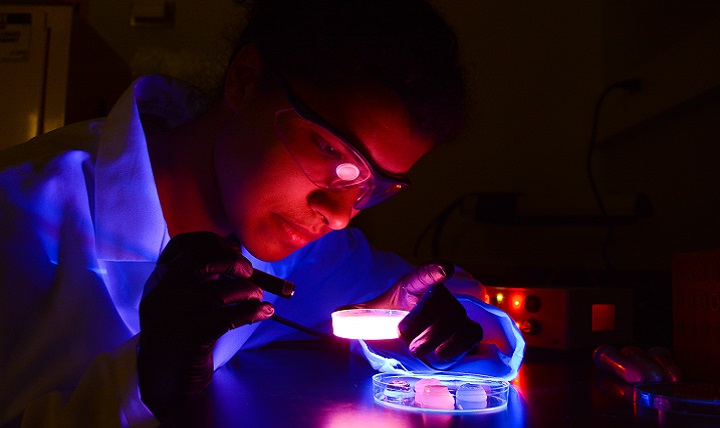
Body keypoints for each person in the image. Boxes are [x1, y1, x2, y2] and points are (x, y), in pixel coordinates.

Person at [0, 0, 525, 426]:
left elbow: (449, 296)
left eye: (375, 187)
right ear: (246, 80)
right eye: (330, 153)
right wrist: (146, 382)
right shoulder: (19, 212)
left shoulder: (301, 252)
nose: (341, 216)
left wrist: (435, 313)